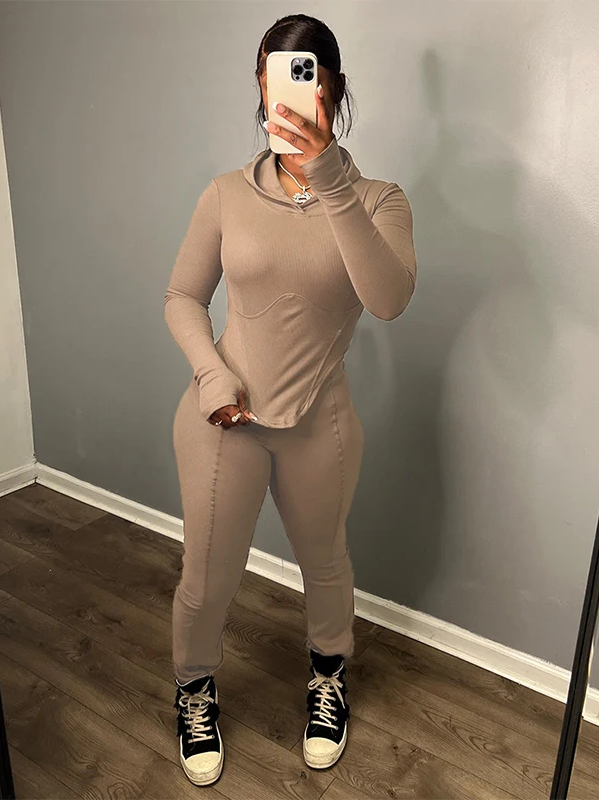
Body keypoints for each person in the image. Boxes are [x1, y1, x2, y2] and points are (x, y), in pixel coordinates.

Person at [164, 13, 416, 786]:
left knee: (326, 563)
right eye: (276, 75)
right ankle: (194, 689)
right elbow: (182, 297)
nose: (291, 91)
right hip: (223, 418)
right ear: (261, 85)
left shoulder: (378, 199)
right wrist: (211, 373)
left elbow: (388, 301)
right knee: (207, 575)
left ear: (333, 88)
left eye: (308, 75)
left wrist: (329, 176)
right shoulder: (224, 194)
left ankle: (328, 678)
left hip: (320, 424)